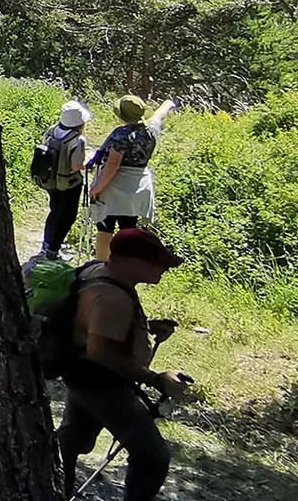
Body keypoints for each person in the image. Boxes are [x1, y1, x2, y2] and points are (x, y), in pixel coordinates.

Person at [57, 229, 192, 501]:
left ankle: (54, 488)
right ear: (130, 262)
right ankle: (54, 486)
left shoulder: (98, 273)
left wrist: (144, 327)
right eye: (158, 262)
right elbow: (99, 351)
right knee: (152, 457)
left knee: (75, 440)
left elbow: (95, 327)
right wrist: (155, 379)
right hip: (104, 385)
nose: (165, 268)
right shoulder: (111, 298)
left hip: (80, 376)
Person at [89, 96, 175, 260]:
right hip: (138, 186)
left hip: (115, 188)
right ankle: (122, 268)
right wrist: (168, 104)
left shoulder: (121, 135)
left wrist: (98, 187)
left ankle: (100, 268)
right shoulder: (151, 130)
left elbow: (113, 163)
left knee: (105, 229)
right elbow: (159, 115)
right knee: (127, 230)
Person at [39, 100, 93, 260]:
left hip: (50, 181)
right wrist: (89, 158)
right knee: (67, 216)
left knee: (55, 212)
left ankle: (46, 244)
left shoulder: (52, 130)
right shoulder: (77, 140)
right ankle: (53, 252)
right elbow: (77, 166)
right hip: (69, 184)